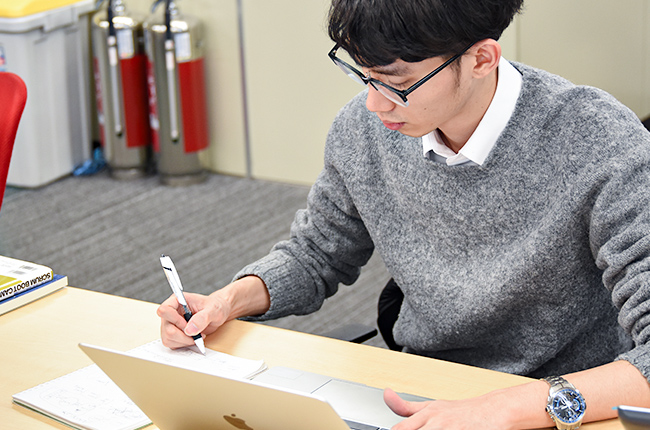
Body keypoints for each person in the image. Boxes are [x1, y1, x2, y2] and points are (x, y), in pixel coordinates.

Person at [158, 0, 650, 428]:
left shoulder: (599, 143)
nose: (374, 104)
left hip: (564, 403)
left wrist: (505, 408)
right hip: (421, 386)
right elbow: (317, 253)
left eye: (398, 84)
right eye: (363, 76)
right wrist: (227, 302)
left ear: (482, 59)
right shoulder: (364, 128)